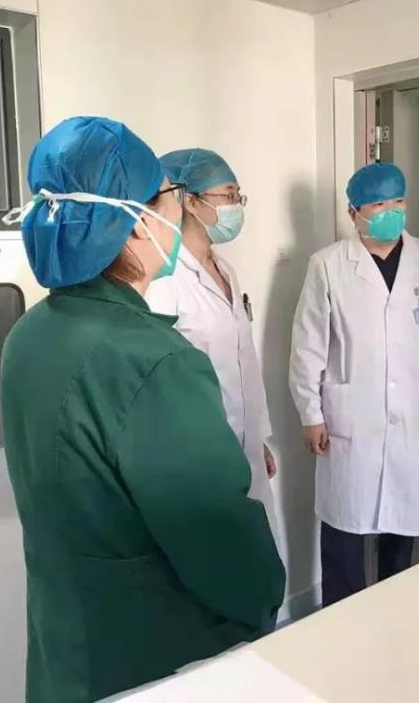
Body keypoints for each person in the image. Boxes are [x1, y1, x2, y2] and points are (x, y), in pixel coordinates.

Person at [0, 117, 285, 703]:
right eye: (167, 198)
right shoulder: (152, 359)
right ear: (132, 224)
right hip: (156, 651)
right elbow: (223, 548)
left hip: (71, 641)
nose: (176, 212)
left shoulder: (29, 334)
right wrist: (265, 595)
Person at [288, 162, 419, 607]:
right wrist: (310, 413)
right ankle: (341, 624)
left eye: (398, 201)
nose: (392, 211)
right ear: (355, 213)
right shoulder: (328, 266)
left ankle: (394, 621)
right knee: (344, 535)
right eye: (379, 204)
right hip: (349, 421)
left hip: (412, 416)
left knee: (400, 539)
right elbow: (308, 344)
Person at [145, 148, 282, 552]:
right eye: (227, 195)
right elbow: (160, 383)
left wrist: (257, 436)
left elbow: (243, 360)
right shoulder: (165, 280)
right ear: (189, 201)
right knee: (223, 556)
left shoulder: (226, 270)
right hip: (199, 453)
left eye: (238, 195)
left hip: (243, 443)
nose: (236, 205)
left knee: (261, 553)